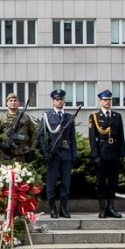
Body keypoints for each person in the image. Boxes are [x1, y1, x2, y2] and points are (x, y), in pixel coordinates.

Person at [37, 90, 78, 218]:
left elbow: (72, 138)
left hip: (66, 154)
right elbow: (41, 136)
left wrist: (74, 154)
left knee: (66, 183)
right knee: (51, 183)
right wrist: (45, 151)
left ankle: (63, 209)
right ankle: (53, 208)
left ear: (64, 101)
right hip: (53, 155)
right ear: (53, 101)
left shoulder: (69, 117)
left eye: (61, 99)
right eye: (57, 99)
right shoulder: (47, 116)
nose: (59, 101)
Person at [88, 89, 125, 218]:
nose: (107, 102)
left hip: (114, 153)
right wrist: (95, 155)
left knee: (113, 182)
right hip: (101, 153)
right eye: (105, 100)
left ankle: (111, 207)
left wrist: (122, 154)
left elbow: (121, 137)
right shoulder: (94, 116)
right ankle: (102, 208)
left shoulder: (117, 116)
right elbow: (92, 138)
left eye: (109, 100)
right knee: (101, 183)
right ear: (100, 101)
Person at [0, 92, 37, 164]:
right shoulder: (2, 118)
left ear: (18, 103)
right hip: (7, 154)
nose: (13, 102)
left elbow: (33, 134)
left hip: (23, 154)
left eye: (15, 100)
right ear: (7, 103)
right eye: (10, 101)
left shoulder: (25, 117)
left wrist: (32, 149)